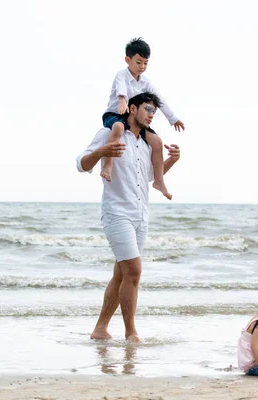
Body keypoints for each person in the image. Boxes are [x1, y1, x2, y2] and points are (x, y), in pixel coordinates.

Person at [76, 92, 181, 343]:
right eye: (147, 109)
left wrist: (171, 161)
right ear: (132, 108)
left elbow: (146, 178)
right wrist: (103, 151)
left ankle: (100, 329)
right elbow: (82, 164)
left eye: (154, 111)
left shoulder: (148, 143)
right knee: (133, 270)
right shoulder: (109, 133)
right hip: (116, 213)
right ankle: (131, 332)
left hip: (140, 215)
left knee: (122, 274)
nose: (151, 115)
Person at [100, 37, 185, 200]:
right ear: (128, 59)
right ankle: (108, 165)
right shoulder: (122, 75)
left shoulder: (145, 81)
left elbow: (159, 98)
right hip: (116, 114)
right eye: (138, 62)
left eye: (145, 63)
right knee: (118, 127)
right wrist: (122, 101)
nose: (142, 67)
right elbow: (121, 89)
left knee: (157, 142)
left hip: (134, 119)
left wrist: (173, 119)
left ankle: (159, 181)